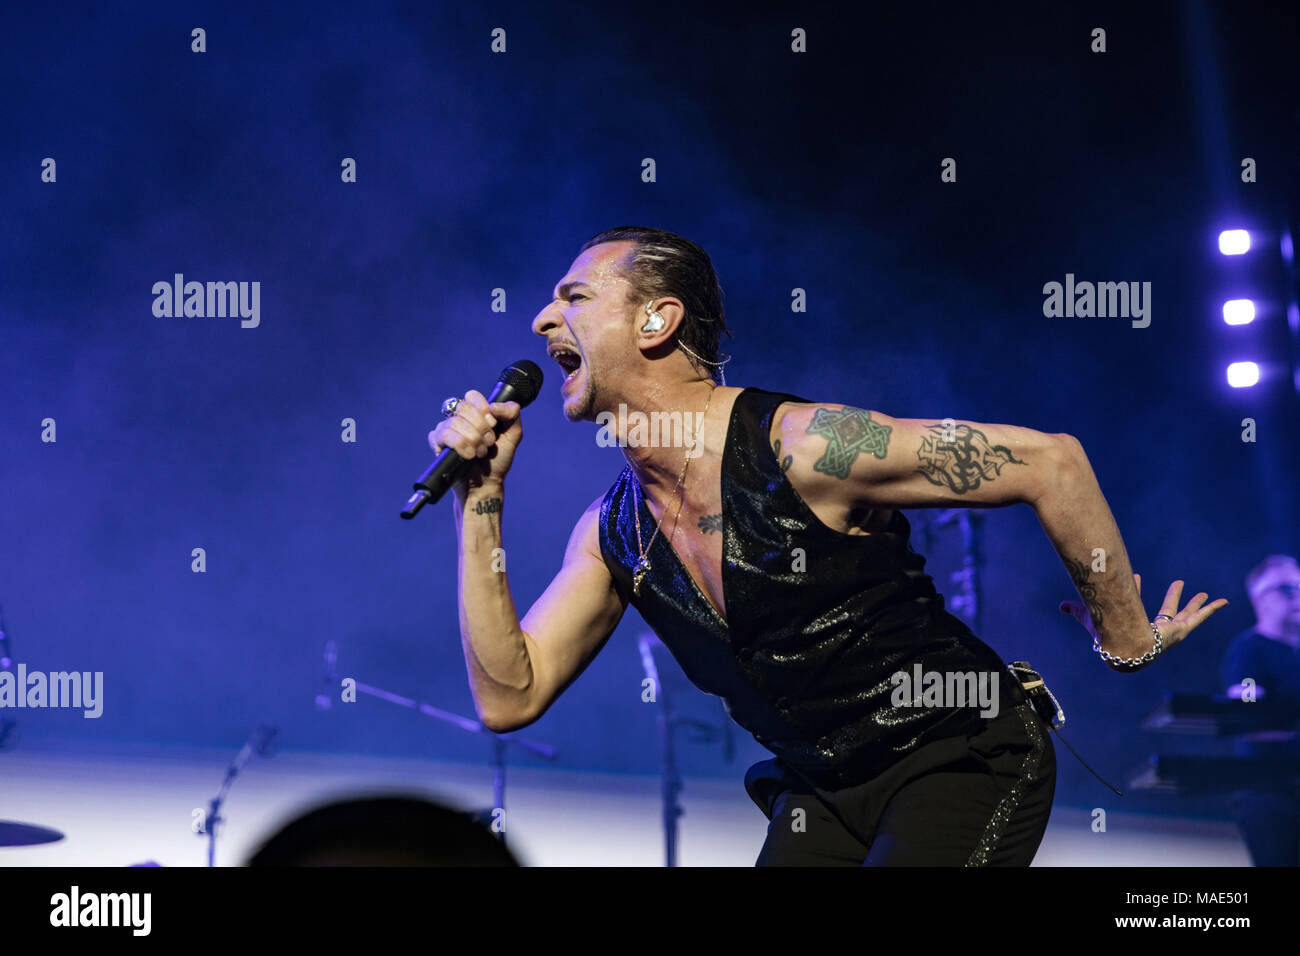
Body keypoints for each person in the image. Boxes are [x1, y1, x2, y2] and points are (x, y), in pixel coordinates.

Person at [430, 225, 1228, 866]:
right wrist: (482, 503)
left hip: (957, 754)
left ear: (656, 319)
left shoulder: (803, 446)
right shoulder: (613, 533)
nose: (541, 321)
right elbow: (511, 697)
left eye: (573, 296)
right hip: (819, 790)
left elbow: (1052, 462)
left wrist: (1127, 638)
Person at [1221, 554, 1300, 866]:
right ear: (1259, 599)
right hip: (1270, 795)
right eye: (1285, 589)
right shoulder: (1249, 651)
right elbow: (1249, 713)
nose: (1297, 595)